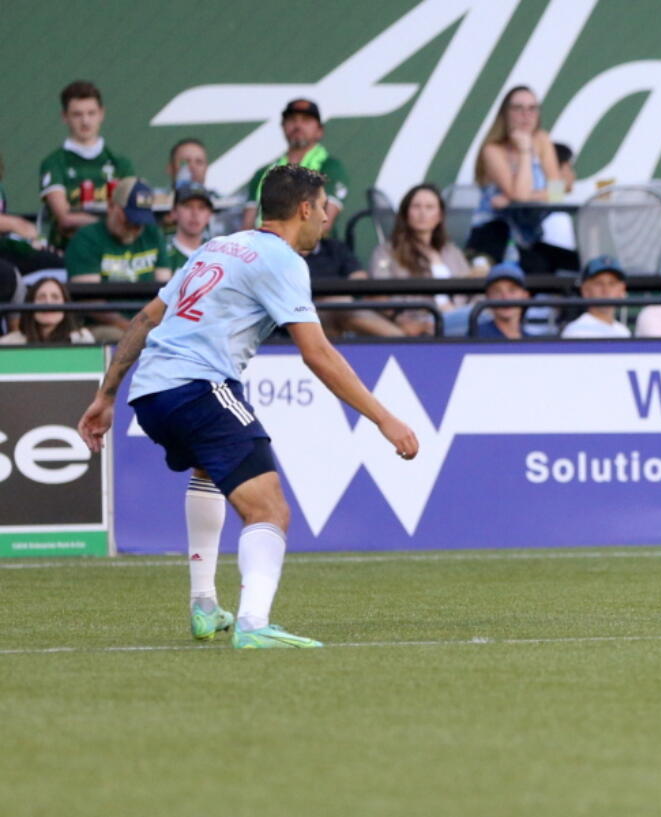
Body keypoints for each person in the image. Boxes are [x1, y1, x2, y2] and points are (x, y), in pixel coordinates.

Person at [76, 165, 419, 649]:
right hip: (197, 386)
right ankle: (254, 624)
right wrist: (385, 419)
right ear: (304, 208)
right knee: (270, 509)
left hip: (150, 391)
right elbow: (318, 353)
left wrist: (107, 394)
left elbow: (146, 317)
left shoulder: (217, 247)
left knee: (208, 470)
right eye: (322, 209)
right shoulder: (281, 260)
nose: (325, 220)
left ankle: (204, 605)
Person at [467, 86, 578, 274]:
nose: (526, 115)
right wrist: (525, 150)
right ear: (505, 113)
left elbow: (558, 191)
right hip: (494, 237)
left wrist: (520, 197)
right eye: (518, 108)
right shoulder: (493, 149)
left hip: (528, 238)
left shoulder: (542, 140)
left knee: (577, 264)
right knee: (538, 268)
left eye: (532, 108)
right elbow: (519, 194)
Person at [65, 177, 172, 340]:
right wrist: (131, 327)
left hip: (149, 323)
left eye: (140, 221)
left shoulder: (153, 234)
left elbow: (165, 291)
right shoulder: (87, 238)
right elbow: (89, 300)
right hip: (102, 326)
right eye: (129, 218)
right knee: (119, 338)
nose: (135, 227)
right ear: (111, 206)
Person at [39, 81, 136, 249]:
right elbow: (65, 219)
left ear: (102, 114)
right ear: (64, 117)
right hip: (68, 253)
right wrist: (113, 224)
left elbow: (132, 213)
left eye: (91, 113)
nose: (85, 121)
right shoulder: (54, 163)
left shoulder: (121, 164)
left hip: (117, 253)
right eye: (77, 114)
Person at [369, 183, 473, 336]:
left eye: (430, 207)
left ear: (440, 216)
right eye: (416, 207)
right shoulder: (386, 251)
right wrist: (401, 320)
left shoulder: (452, 252)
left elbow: (471, 291)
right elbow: (378, 295)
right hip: (421, 322)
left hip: (458, 320)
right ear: (405, 213)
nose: (422, 213)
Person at [242, 99, 349, 232]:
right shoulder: (263, 173)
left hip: (313, 250)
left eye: (306, 120)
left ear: (320, 131)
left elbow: (325, 224)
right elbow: (247, 226)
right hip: (263, 247)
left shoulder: (331, 167)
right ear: (283, 127)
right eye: (292, 120)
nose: (298, 125)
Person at [306, 237, 405, 338]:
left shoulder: (334, 246)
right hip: (307, 313)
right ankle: (402, 342)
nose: (325, 220)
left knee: (344, 307)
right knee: (338, 306)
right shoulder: (291, 255)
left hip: (343, 308)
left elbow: (359, 279)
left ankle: (402, 341)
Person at [0, 276, 95, 345]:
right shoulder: (8, 343)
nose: (48, 303)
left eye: (55, 297)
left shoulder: (81, 339)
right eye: (41, 297)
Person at [561, 255, 631, 339]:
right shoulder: (576, 331)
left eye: (612, 283)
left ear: (622, 289)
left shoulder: (624, 331)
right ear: (585, 290)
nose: (606, 290)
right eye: (598, 283)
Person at [475, 261, 530, 339]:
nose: (506, 298)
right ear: (488, 297)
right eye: (497, 291)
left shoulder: (534, 341)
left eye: (512, 290)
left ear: (525, 295)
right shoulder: (476, 337)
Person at [165, 183, 213, 271]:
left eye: (201, 207)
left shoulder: (217, 253)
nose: (195, 213)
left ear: (209, 215)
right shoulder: (162, 253)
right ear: (174, 212)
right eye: (187, 206)